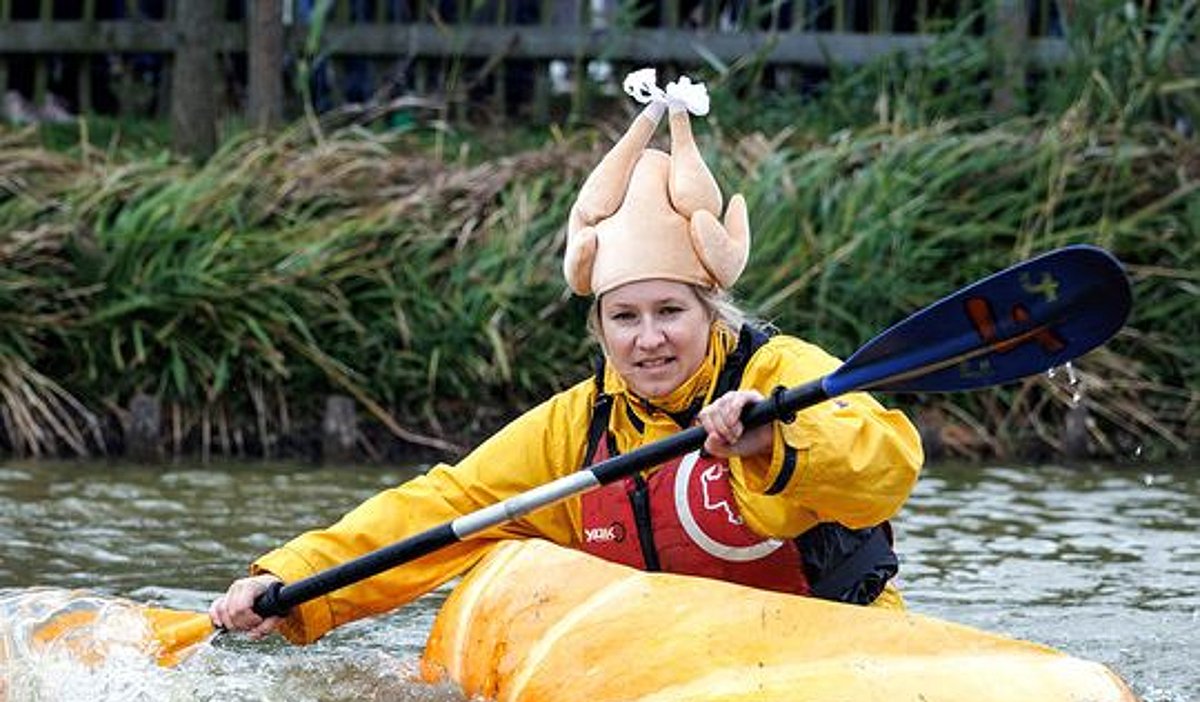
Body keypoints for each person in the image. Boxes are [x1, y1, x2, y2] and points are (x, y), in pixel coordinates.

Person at [210, 69, 924, 643]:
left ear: (710, 311)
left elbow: (886, 466)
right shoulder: (575, 430)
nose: (649, 339)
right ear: (600, 326)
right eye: (625, 317)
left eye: (671, 311)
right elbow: (440, 509)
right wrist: (287, 580)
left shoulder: (780, 373)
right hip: (676, 666)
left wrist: (777, 436)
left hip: (832, 644)